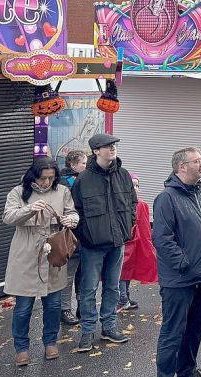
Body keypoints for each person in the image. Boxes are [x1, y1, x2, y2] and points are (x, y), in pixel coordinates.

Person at [3, 158, 79, 367]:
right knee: (23, 307)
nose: (46, 182)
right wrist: (29, 209)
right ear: (33, 175)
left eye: (51, 178)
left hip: (53, 250)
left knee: (54, 304)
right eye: (43, 178)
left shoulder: (62, 191)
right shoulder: (18, 192)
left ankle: (50, 342)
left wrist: (71, 220)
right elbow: (8, 217)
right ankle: (21, 348)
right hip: (25, 251)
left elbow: (72, 212)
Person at [153, 147, 201, 377]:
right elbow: (162, 239)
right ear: (182, 167)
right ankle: (165, 374)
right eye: (197, 161)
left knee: (194, 329)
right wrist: (184, 263)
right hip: (180, 280)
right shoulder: (166, 198)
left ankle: (187, 369)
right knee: (173, 332)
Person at [72, 133, 137, 352]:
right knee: (88, 288)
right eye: (107, 146)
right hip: (92, 245)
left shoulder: (124, 175)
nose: (112, 148)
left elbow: (131, 204)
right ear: (96, 151)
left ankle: (109, 327)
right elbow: (76, 212)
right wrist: (85, 235)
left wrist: (128, 226)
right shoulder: (83, 179)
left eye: (113, 145)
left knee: (112, 287)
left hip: (117, 242)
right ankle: (87, 331)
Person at [118, 173, 157, 311]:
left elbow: (145, 226)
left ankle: (124, 297)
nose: (135, 188)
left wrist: (147, 244)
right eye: (132, 185)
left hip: (134, 242)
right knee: (121, 271)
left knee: (127, 271)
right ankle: (122, 298)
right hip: (126, 241)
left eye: (137, 185)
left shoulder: (141, 204)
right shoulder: (120, 203)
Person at [59, 150, 87, 326]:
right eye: (83, 163)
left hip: (86, 235)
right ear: (73, 164)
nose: (86, 166)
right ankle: (65, 309)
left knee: (83, 275)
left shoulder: (85, 179)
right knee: (69, 275)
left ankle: (81, 307)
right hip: (71, 236)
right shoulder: (65, 183)